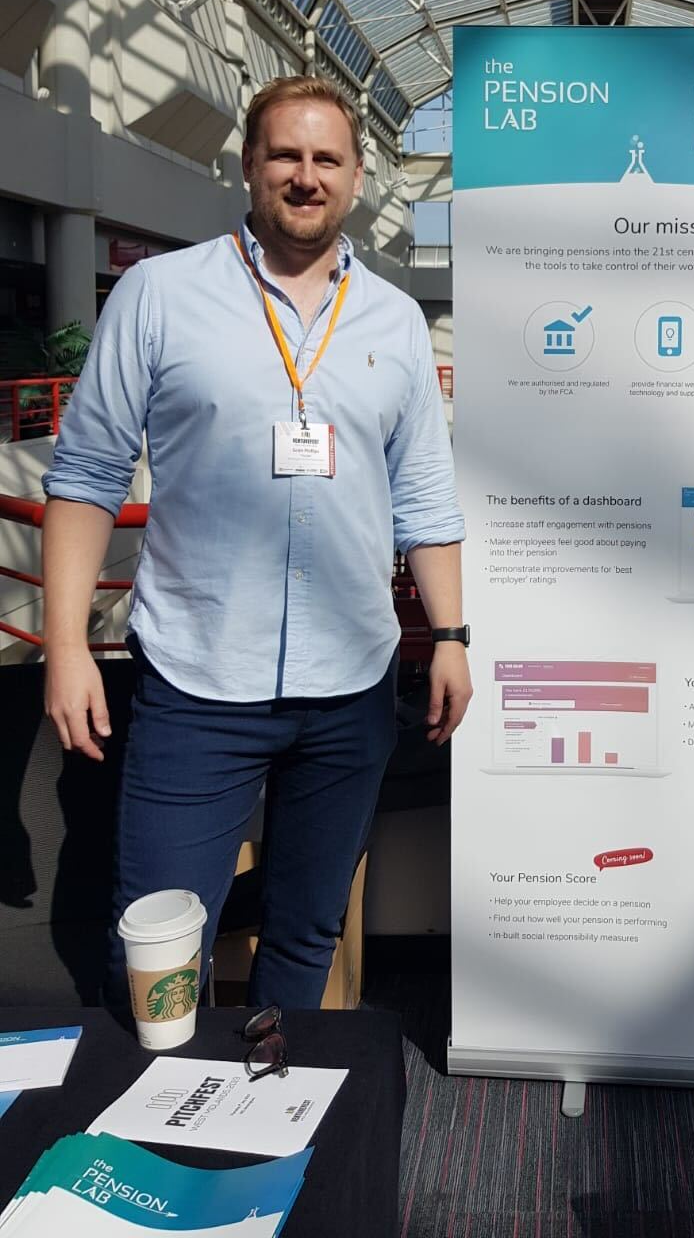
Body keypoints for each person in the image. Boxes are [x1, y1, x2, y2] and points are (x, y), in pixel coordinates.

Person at [41, 75, 472, 1008]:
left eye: (327, 159)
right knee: (156, 936)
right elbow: (84, 478)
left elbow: (425, 496)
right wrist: (68, 646)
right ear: (248, 166)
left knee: (307, 927)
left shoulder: (395, 322)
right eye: (286, 155)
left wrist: (451, 638)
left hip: (350, 686)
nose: (305, 177)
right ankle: (159, 1122)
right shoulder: (160, 295)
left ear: (358, 178)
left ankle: (271, 1108)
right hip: (198, 683)